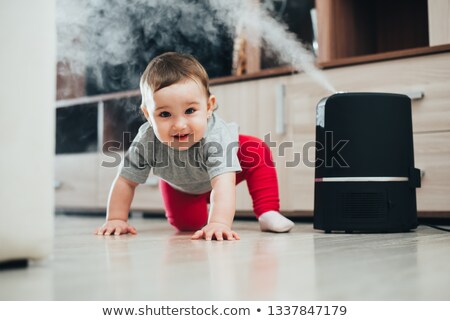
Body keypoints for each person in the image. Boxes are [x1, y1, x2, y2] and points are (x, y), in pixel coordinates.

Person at [95, 52, 294, 240]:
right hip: (181, 184)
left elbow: (223, 183)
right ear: (148, 114)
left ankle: (268, 212)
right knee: (188, 226)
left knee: (255, 150)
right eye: (165, 114)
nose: (180, 125)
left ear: (208, 107)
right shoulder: (146, 141)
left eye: (190, 110)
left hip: (225, 173)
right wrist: (116, 219)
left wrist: (219, 223)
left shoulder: (215, 137)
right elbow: (125, 181)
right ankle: (203, 207)